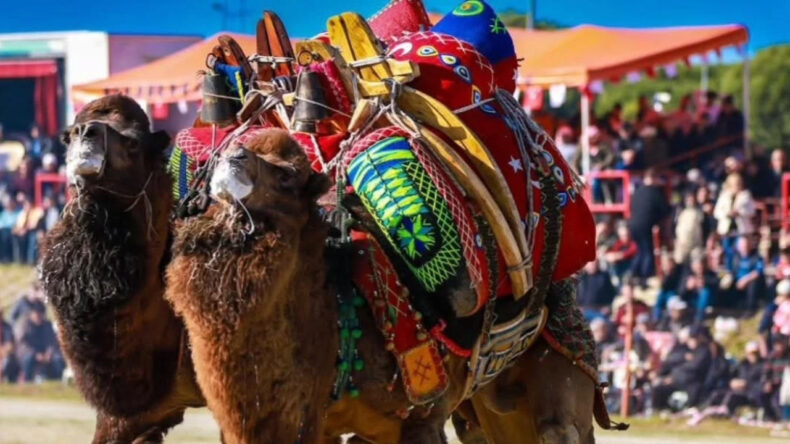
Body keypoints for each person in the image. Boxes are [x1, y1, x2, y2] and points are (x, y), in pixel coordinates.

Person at [689, 340, 765, 425]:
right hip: (737, 390)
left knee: (731, 396)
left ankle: (722, 414)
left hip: (750, 393)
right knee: (717, 394)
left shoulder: (763, 366)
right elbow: (732, 377)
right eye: (751, 354)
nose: (753, 356)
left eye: (755, 353)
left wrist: (746, 384)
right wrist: (732, 382)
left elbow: (762, 384)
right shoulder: (743, 364)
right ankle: (701, 410)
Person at [651, 325, 712, 411]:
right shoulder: (684, 349)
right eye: (690, 338)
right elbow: (669, 360)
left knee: (694, 389)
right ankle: (658, 411)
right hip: (676, 380)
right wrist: (683, 357)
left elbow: (694, 368)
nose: (691, 341)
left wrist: (675, 377)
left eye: (694, 338)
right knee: (658, 388)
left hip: (691, 383)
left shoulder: (704, 351)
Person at [628, 169, 670, 284]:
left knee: (640, 251)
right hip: (646, 226)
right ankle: (644, 278)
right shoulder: (655, 193)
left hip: (633, 225)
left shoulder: (637, 192)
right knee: (647, 252)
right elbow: (665, 211)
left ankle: (632, 273)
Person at [18, 304, 64, 382]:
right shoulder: (25, 325)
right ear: (31, 314)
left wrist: (49, 353)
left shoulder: (47, 325)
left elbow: (52, 341)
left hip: (47, 354)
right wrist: (36, 355)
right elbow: (23, 344)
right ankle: (27, 382)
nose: (38, 316)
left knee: (58, 359)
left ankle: (57, 382)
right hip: (31, 353)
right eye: (36, 314)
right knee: (28, 359)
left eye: (40, 314)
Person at [724, 236, 766, 313]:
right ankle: (728, 308)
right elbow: (730, 269)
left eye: (746, 245)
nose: (744, 248)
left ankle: (750, 310)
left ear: (750, 245)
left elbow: (759, 271)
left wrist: (745, 280)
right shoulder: (735, 256)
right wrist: (730, 276)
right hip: (737, 280)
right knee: (725, 283)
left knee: (753, 285)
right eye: (742, 246)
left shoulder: (756, 256)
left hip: (750, 281)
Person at [677, 251, 718, 322]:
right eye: (698, 264)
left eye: (702, 263)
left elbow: (716, 283)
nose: (700, 266)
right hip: (692, 304)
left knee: (706, 291)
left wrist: (704, 282)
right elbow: (680, 293)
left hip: (707, 305)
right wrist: (687, 287)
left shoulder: (710, 274)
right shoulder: (688, 276)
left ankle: (698, 321)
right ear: (693, 265)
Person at [714, 173, 756, 241]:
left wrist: (739, 213)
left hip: (742, 230)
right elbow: (717, 212)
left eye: (738, 183)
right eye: (734, 184)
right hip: (726, 230)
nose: (737, 186)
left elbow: (752, 211)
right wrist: (727, 213)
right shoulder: (723, 196)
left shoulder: (746, 195)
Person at [674, 192, 705, 265]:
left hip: (695, 243)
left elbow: (703, 226)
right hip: (682, 243)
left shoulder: (699, 212)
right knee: (679, 260)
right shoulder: (681, 212)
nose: (690, 201)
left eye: (692, 199)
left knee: (696, 262)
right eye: (689, 199)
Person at [0, 193, 21, 263]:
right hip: (4, 231)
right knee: (4, 235)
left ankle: (11, 258)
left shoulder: (18, 212)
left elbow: (18, 222)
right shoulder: (4, 213)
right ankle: (4, 257)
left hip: (14, 230)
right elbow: (1, 224)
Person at [1, 308, 20, 382]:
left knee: (8, 361)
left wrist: (3, 352)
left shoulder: (7, 327)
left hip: (4, 355)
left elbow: (10, 345)